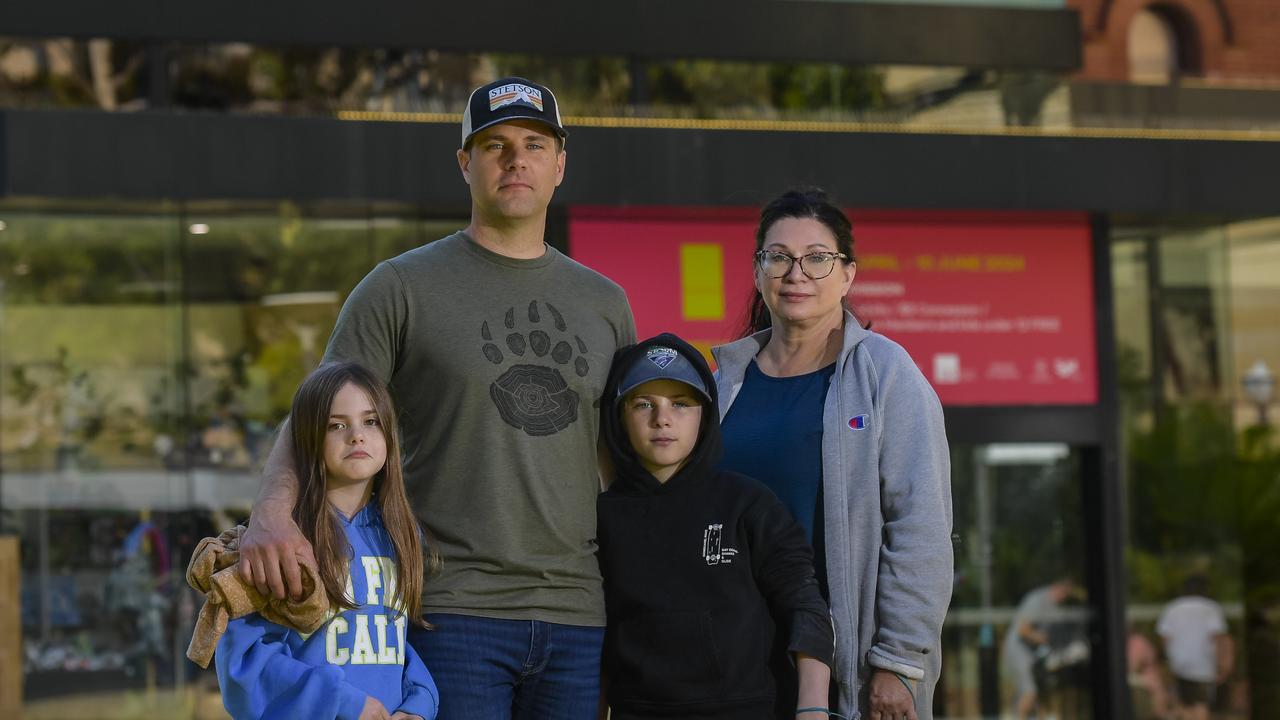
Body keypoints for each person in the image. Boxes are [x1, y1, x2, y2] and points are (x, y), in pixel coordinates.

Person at [236, 76, 636, 719]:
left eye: (534, 144)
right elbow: (314, 415)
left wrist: (637, 606)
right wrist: (272, 516)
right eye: (494, 145)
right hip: (449, 609)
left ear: (560, 164)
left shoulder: (605, 303)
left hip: (577, 613)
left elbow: (622, 470)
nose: (515, 159)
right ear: (464, 164)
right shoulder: (399, 287)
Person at [712, 188, 953, 720]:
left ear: (847, 276)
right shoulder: (720, 385)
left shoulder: (887, 376)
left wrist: (897, 663)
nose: (796, 273)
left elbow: (921, 528)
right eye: (778, 256)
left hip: (848, 669)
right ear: (758, 272)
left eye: (818, 259)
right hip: (733, 663)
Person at [597, 334, 835, 719]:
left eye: (681, 403)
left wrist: (812, 708)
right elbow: (599, 640)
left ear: (705, 415)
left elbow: (804, 606)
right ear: (619, 417)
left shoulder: (749, 503)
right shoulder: (602, 518)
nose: (662, 418)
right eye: (643, 404)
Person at [216, 361, 438, 720]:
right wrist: (345, 703)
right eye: (336, 425)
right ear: (306, 438)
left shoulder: (403, 535)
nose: (357, 435)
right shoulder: (282, 541)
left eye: (371, 421)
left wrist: (419, 703)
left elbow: (393, 643)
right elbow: (242, 663)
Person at [1000, 578, 1083, 720]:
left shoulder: (1053, 605)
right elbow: (1023, 629)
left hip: (1032, 654)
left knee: (1037, 692)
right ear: (1059, 588)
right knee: (1029, 692)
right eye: (1065, 594)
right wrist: (1042, 638)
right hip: (1018, 651)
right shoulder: (1037, 600)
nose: (1064, 599)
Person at [1157, 575, 1232, 720]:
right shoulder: (1210, 608)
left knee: (1183, 704)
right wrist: (1223, 664)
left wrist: (1167, 660)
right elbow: (1218, 638)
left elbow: (1165, 638)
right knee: (1200, 704)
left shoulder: (1172, 608)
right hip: (1202, 665)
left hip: (1178, 663)